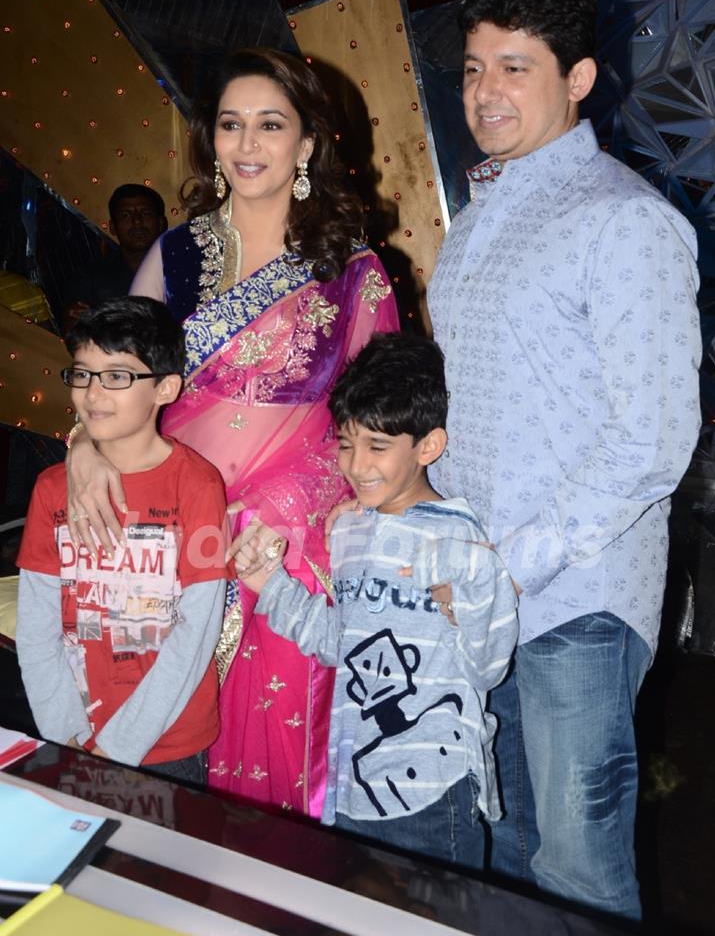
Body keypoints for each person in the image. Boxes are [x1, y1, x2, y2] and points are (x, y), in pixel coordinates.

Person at [426, 0, 701, 919]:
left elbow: (655, 438)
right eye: (471, 69)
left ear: (578, 79)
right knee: (495, 847)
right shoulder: (469, 228)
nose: (485, 93)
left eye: (513, 68)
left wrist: (517, 561)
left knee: (577, 873)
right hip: (475, 588)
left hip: (575, 598)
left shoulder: (625, 220)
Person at [64, 48, 398, 816]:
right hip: (159, 538)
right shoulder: (176, 255)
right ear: (210, 141)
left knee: (267, 785)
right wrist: (85, 449)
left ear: (307, 144)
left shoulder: (352, 272)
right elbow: (113, 386)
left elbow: (379, 428)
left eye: (271, 125)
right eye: (231, 125)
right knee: (144, 769)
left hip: (283, 549)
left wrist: (308, 507)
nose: (248, 145)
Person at [237, 333, 518, 868]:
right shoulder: (348, 532)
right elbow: (333, 643)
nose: (357, 465)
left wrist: (474, 581)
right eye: (346, 443)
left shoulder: (458, 537)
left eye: (379, 447)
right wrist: (271, 585)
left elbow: (489, 666)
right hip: (353, 782)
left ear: (429, 447)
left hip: (435, 792)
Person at [15, 296, 230, 783]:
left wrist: (116, 747)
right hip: (73, 733)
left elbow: (196, 634)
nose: (93, 393)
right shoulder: (52, 487)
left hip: (167, 740)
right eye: (83, 373)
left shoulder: (197, 484)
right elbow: (36, 627)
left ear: (166, 388)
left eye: (117, 376)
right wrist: (66, 732)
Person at [62, 184, 167, 332]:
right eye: (126, 215)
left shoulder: (182, 269)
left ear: (161, 223)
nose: (137, 221)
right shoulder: (89, 277)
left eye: (145, 213)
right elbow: (75, 333)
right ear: (112, 227)